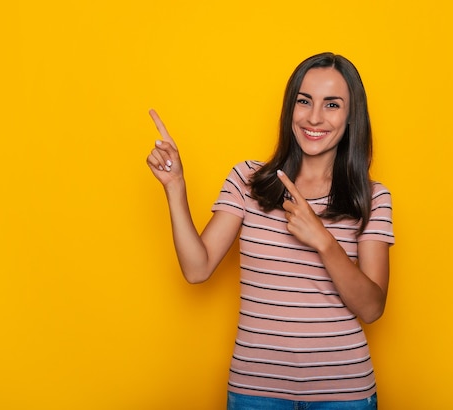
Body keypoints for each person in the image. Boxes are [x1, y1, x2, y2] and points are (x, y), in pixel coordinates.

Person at [146, 52, 394, 410]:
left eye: (332, 105)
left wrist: (323, 241)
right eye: (304, 101)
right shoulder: (247, 181)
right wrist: (175, 186)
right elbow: (197, 269)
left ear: (351, 116)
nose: (314, 117)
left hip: (344, 394)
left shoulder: (371, 197)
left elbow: (372, 308)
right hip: (254, 393)